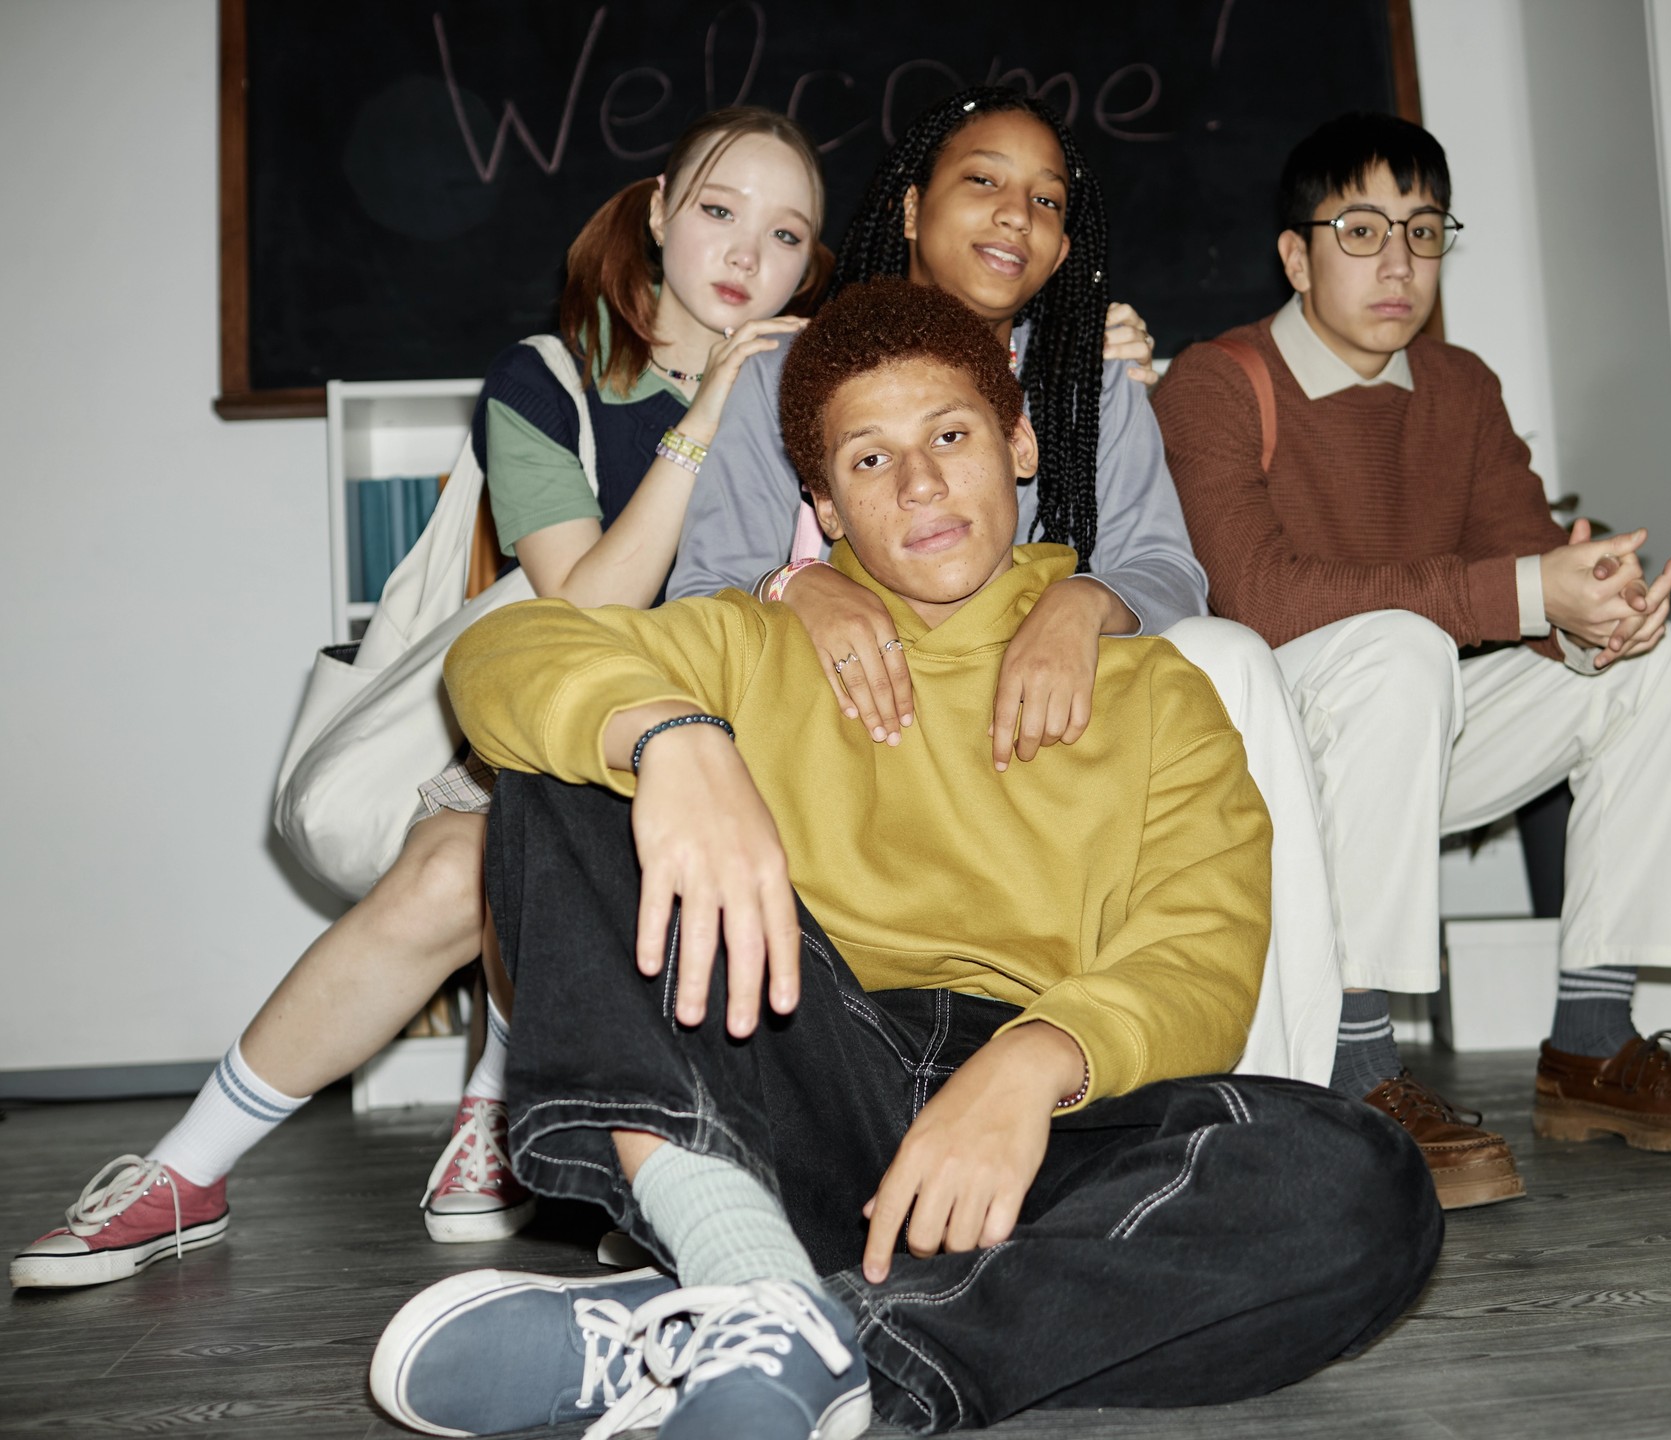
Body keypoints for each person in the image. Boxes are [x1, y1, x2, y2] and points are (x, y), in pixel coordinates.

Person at [368, 278, 1441, 1440]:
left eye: (950, 437)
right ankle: (751, 1271)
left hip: (1031, 1120)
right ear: (824, 507)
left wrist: (1031, 1065)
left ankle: (759, 1326)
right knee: (563, 774)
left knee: (1360, 1183)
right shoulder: (751, 641)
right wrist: (673, 738)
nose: (920, 484)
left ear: (1020, 446)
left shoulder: (1159, 693)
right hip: (792, 1058)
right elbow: (511, 651)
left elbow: (1203, 955)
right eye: (870, 461)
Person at [10, 106, 831, 1288]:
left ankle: (530, 1111)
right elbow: (586, 609)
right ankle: (186, 1171)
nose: (748, 254)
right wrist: (702, 419)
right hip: (562, 719)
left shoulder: (812, 389)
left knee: (605, 872)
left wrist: (1081, 344)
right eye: (719, 211)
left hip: (733, 743)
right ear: (658, 213)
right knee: (458, 871)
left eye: (786, 234)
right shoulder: (547, 379)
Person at [1152, 111, 1671, 1211]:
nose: (1399, 263)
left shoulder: (1461, 388)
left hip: (1408, 731)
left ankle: (1592, 1044)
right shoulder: (1216, 383)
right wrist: (1529, 591)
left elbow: (1522, 563)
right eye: (1360, 230)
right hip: (1263, 761)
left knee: (1658, 669)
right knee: (1404, 647)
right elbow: (1261, 597)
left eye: (1424, 230)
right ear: (1295, 255)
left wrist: (1593, 615)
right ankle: (1355, 1067)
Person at [671, 84, 1345, 1085]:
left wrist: (1082, 600)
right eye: (983, 181)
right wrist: (798, 583)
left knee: (1230, 657)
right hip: (867, 729)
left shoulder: (1087, 381)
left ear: (1065, 250)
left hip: (1041, 731)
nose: (1016, 216)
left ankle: (1284, 1089)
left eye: (1047, 201)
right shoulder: (793, 375)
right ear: (911, 208)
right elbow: (697, 593)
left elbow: (1171, 568)